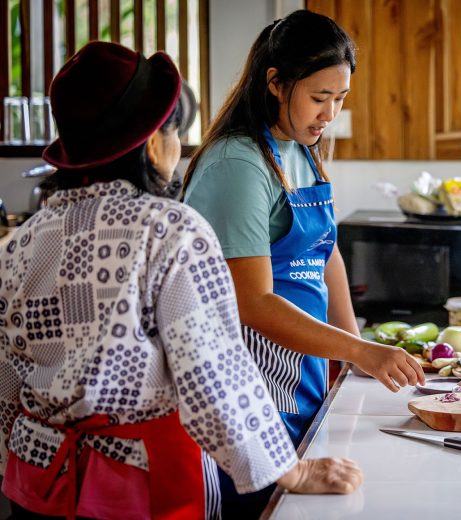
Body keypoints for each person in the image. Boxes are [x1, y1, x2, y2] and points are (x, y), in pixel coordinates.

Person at [0, 41, 362, 520]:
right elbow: (214, 374)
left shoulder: (25, 240)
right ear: (154, 143)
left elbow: (7, 379)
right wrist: (290, 470)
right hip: (137, 485)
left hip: (38, 481)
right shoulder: (170, 231)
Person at [182, 9, 424, 517]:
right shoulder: (238, 164)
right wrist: (359, 351)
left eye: (340, 98)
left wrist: (356, 350)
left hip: (300, 377)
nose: (330, 113)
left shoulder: (299, 147)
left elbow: (325, 250)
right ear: (275, 83)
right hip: (250, 395)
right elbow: (253, 302)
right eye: (319, 97)